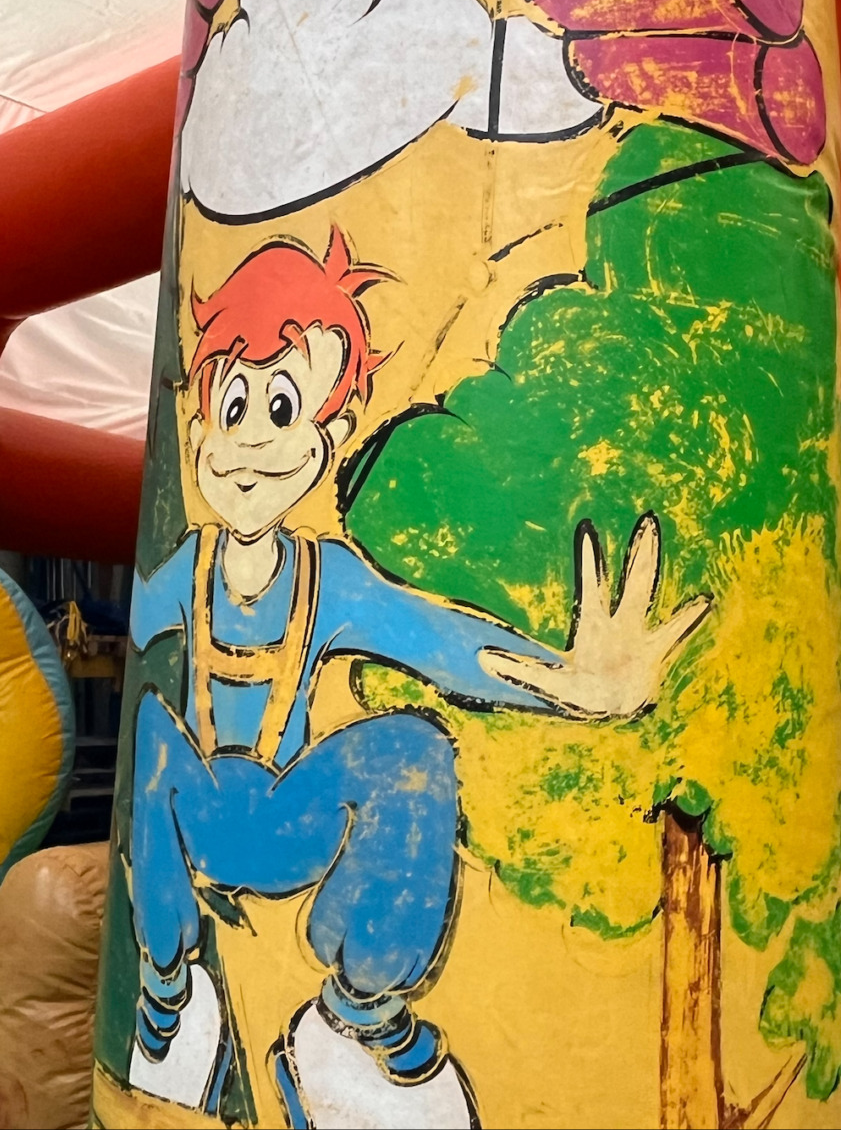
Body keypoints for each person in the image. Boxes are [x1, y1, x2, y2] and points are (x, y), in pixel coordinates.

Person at [124, 229, 708, 1128]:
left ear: (329, 437)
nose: (250, 441)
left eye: (282, 408)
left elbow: (440, 641)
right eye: (232, 406)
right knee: (153, 733)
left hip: (286, 821)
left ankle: (354, 1014)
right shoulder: (186, 570)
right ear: (199, 425)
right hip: (199, 815)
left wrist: (569, 682)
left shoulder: (327, 578)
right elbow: (135, 632)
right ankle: (168, 992)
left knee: (412, 751)